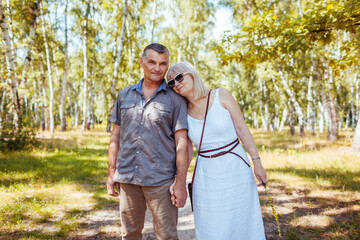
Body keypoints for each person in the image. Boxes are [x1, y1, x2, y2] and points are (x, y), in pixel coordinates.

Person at [167, 62, 267, 240]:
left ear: (192, 74)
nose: (176, 83)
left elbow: (242, 129)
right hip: (206, 176)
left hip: (236, 168)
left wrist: (257, 162)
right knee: (211, 226)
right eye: (171, 83)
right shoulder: (183, 110)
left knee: (243, 222)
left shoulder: (221, 95)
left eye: (179, 77)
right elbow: (186, 150)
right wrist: (178, 180)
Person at [106, 43, 189, 240]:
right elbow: (115, 137)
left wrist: (180, 182)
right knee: (130, 234)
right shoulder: (124, 95)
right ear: (142, 62)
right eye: (152, 62)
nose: (157, 68)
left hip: (160, 180)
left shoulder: (176, 100)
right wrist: (111, 173)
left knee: (167, 236)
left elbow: (182, 144)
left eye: (163, 64)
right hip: (127, 178)